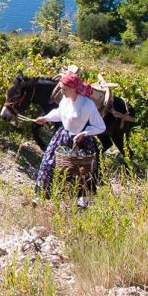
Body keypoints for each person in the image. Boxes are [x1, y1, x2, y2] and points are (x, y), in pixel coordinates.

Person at [34, 69, 105, 199]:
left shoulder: (87, 105)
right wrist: (46, 118)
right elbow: (60, 113)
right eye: (61, 88)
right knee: (48, 163)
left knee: (82, 171)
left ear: (74, 88)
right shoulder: (65, 100)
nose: (62, 92)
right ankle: (42, 196)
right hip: (63, 136)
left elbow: (101, 127)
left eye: (65, 89)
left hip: (81, 141)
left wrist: (84, 133)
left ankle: (83, 199)